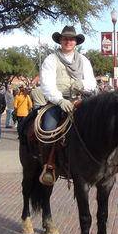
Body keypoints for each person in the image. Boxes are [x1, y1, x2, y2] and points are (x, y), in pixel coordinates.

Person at [39, 25, 97, 185]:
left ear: (76, 42)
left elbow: (92, 83)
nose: (68, 41)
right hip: (58, 102)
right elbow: (46, 85)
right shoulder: (51, 59)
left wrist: (82, 84)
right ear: (60, 40)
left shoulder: (84, 60)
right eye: (65, 38)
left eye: (71, 39)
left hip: (80, 100)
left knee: (100, 126)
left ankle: (101, 161)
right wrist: (60, 100)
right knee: (48, 131)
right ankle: (49, 165)